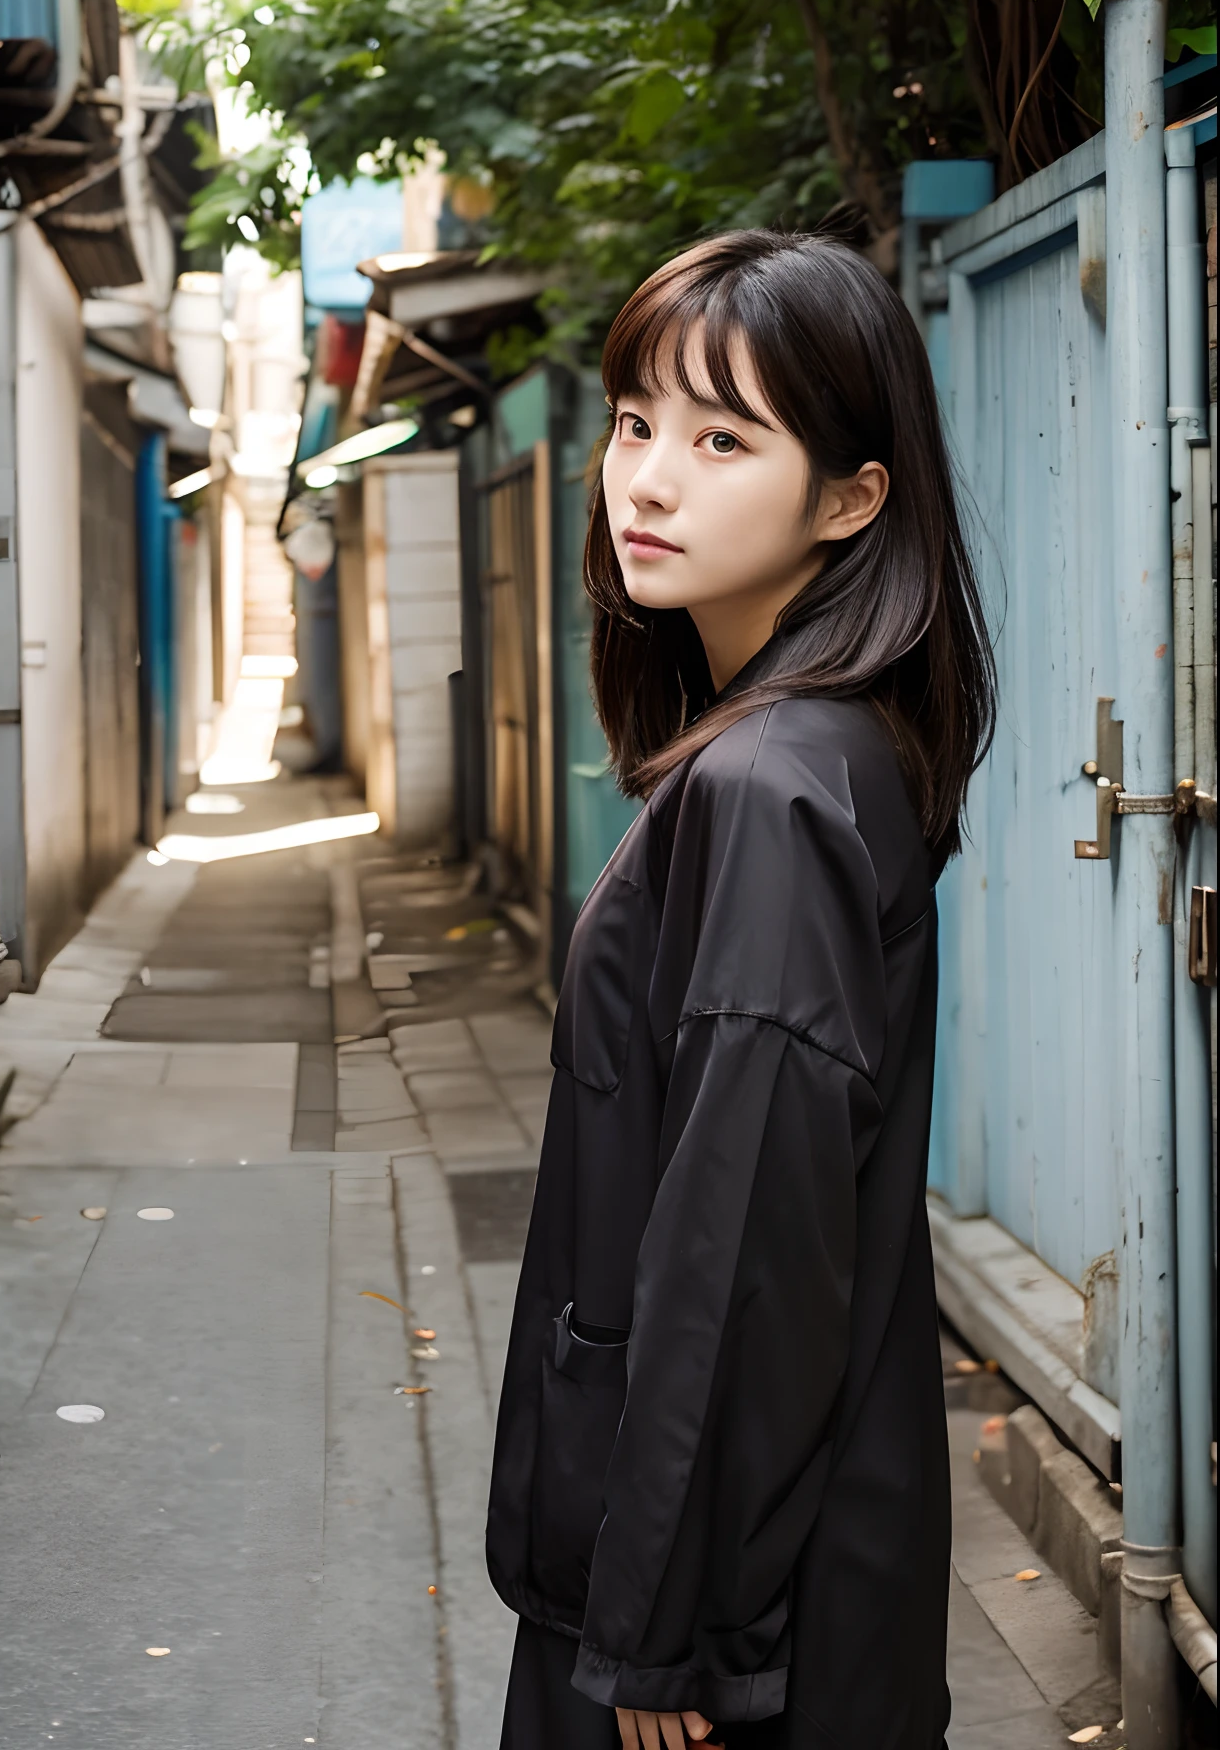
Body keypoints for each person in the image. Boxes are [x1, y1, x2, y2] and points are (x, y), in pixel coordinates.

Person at [486, 230, 996, 1750]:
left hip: (724, 1635)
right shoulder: (792, 754)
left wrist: (672, 1640)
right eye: (637, 422)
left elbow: (743, 1250)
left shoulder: (773, 788)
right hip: (773, 1571)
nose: (644, 479)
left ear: (851, 498)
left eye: (723, 439)